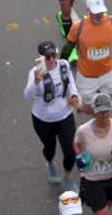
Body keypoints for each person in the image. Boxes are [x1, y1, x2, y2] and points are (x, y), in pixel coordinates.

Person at [26, 41, 81, 188]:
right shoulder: (35, 73)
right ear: (41, 58)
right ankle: (50, 163)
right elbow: (27, 95)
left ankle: (68, 177)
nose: (50, 60)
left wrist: (74, 94)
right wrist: (36, 82)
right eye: (47, 57)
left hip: (64, 115)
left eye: (52, 55)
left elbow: (70, 82)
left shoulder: (63, 64)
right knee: (49, 148)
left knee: (71, 151)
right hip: (43, 119)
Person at [74, 93, 112, 215]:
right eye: (102, 112)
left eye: (107, 111)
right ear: (94, 113)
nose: (105, 115)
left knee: (107, 206)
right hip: (92, 180)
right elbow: (76, 143)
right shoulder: (83, 131)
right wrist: (79, 156)